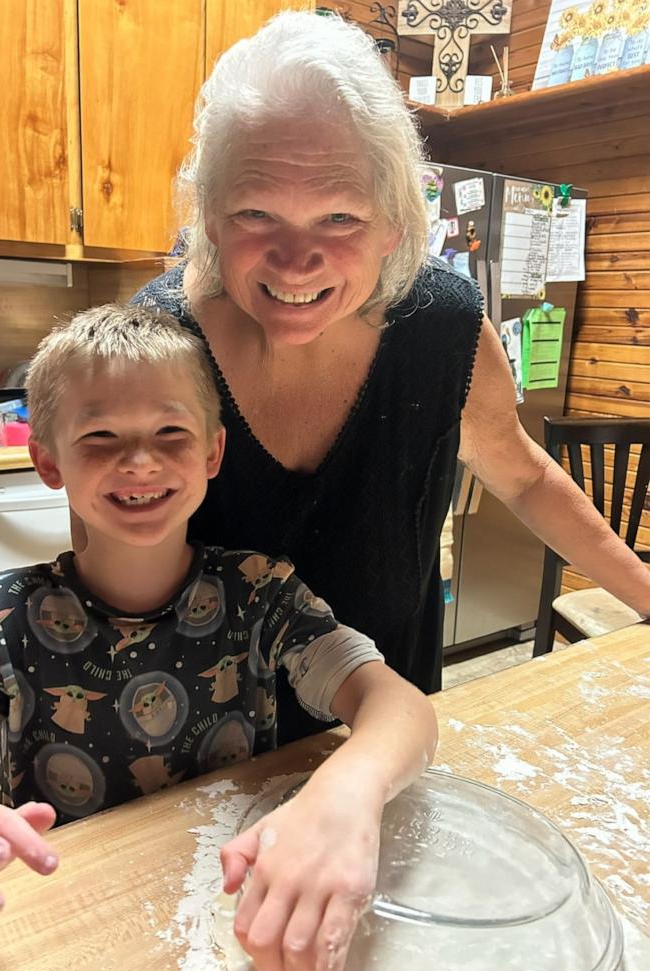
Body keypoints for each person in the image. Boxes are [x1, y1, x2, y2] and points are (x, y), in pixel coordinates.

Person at [130, 10, 650, 745]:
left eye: (339, 217)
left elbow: (524, 477)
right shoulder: (155, 344)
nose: (294, 259)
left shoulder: (442, 324)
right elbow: (107, 573)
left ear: (392, 228)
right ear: (210, 217)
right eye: (256, 212)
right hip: (201, 732)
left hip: (388, 714)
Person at [0, 305, 437, 971]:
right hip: (76, 922)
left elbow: (398, 704)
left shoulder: (260, 593)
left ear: (212, 453)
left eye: (170, 432)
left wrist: (347, 792)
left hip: (224, 904)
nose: (139, 461)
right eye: (98, 436)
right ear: (47, 461)